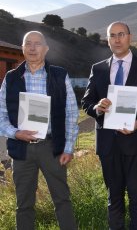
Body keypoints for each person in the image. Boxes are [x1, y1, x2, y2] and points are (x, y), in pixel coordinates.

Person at [82, 21, 137, 229]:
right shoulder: (97, 69)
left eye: (121, 34)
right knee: (114, 198)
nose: (117, 39)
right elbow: (86, 102)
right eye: (112, 36)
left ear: (130, 37)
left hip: (136, 143)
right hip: (108, 145)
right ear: (108, 40)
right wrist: (98, 107)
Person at [0, 31, 79, 229]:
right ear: (23, 48)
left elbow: (71, 113)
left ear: (46, 49)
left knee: (62, 200)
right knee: (24, 204)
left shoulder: (59, 75)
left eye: (37, 44)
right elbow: (0, 114)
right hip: (21, 149)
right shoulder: (11, 78)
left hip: (52, 147)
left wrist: (68, 148)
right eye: (28, 44)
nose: (33, 48)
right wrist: (15, 133)